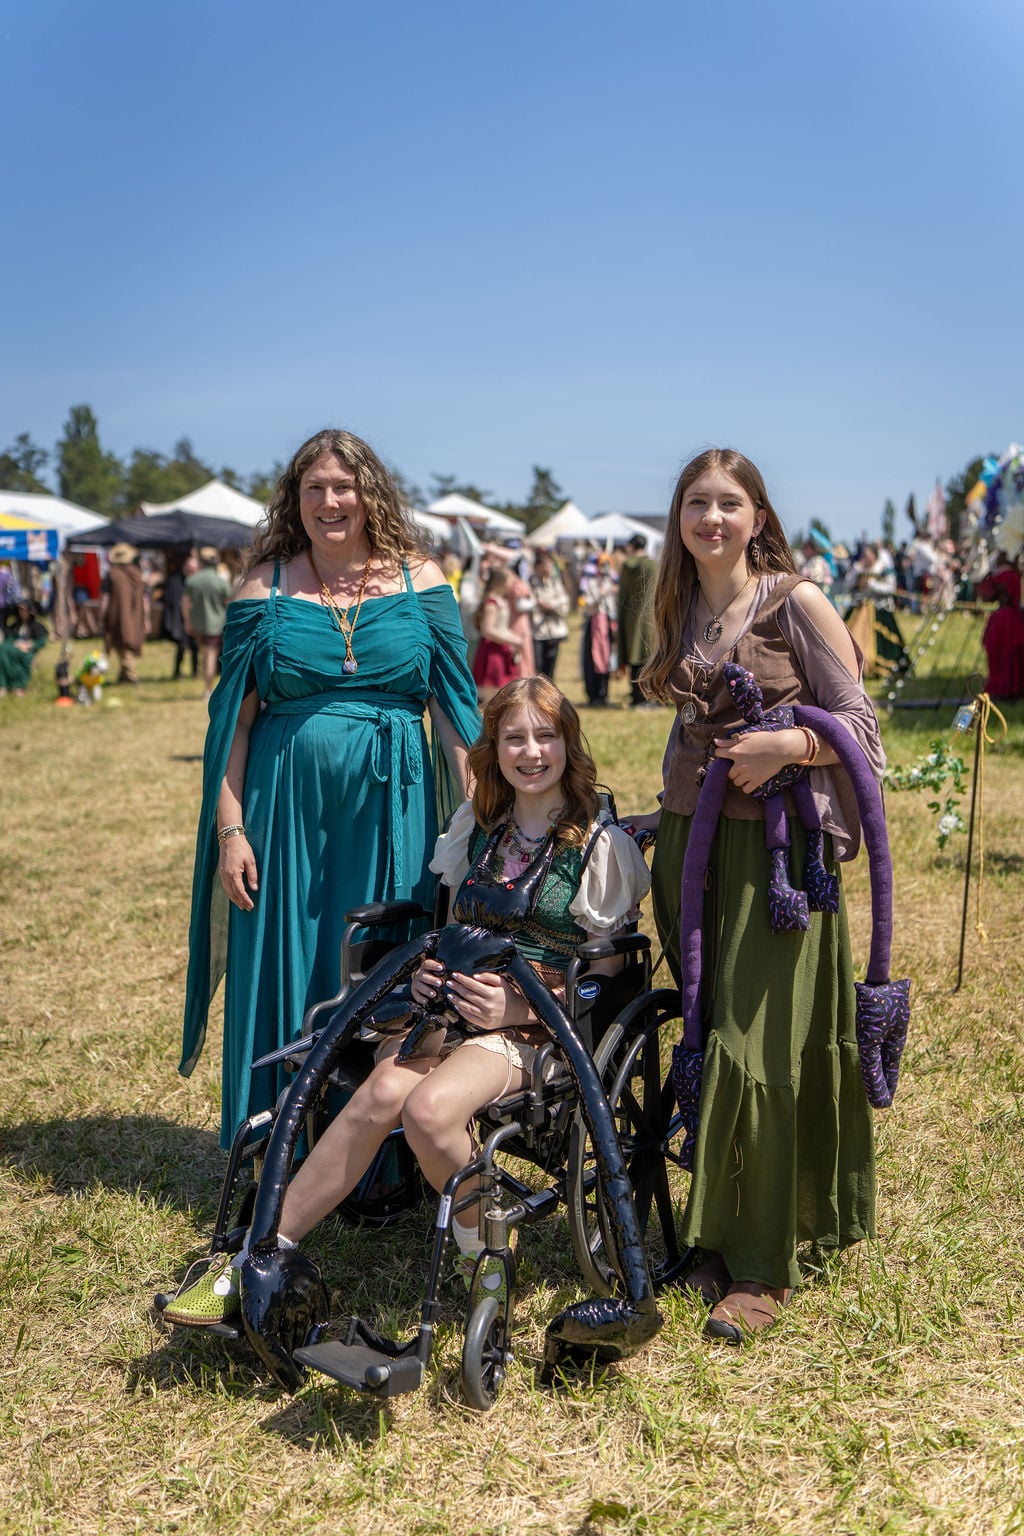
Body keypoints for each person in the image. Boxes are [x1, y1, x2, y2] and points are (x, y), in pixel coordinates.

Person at [163, 675, 651, 1324]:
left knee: (425, 1111)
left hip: (537, 1030)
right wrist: (429, 972)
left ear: (569, 744)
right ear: (493, 749)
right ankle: (257, 1256)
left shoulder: (598, 846)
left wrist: (518, 1007)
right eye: (514, 738)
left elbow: (610, 979)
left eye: (546, 736)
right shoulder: (477, 829)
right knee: (379, 1096)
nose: (531, 752)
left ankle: (487, 1248)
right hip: (452, 1011)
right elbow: (447, 928)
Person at [628, 447, 886, 1342]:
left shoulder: (797, 601)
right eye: (696, 503)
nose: (712, 519)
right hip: (692, 852)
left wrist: (792, 750)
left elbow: (863, 730)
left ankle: (764, 1264)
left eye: (729, 503)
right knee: (707, 1034)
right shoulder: (674, 605)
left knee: (760, 1045)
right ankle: (716, 1232)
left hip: (781, 866)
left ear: (759, 517)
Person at [179, 428, 481, 1151]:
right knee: (287, 959)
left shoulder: (422, 582)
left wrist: (480, 820)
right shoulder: (264, 586)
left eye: (342, 486)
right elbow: (233, 728)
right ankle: (278, 1140)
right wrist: (231, 830)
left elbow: (458, 715)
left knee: (382, 962)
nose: (329, 500)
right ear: (296, 499)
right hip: (283, 814)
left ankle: (375, 1152)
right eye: (313, 488)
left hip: (392, 810)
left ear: (369, 493)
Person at [183, 546, 233, 700]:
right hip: (217, 624)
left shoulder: (192, 581)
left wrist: (187, 622)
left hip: (198, 623)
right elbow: (230, 602)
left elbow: (186, 603)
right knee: (211, 655)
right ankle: (208, 688)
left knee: (205, 653)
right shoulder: (221, 581)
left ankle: (207, 685)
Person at [975, 550, 1024, 700]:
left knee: (1000, 655)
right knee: (1011, 657)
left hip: (999, 618)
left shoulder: (998, 575)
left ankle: (1002, 688)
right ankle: (1012, 688)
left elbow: (987, 595)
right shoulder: (1013, 575)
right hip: (1012, 618)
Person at [471, 566, 523, 703]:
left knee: (505, 693)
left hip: (501, 649)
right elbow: (488, 630)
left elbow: (501, 627)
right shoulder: (491, 602)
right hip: (492, 652)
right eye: (510, 582)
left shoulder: (500, 600)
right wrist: (512, 640)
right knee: (493, 693)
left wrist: (514, 638)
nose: (512, 586)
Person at [617, 534, 657, 707]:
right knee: (647, 657)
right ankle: (647, 696)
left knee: (633, 657)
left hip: (630, 617)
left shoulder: (627, 566)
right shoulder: (653, 566)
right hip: (650, 617)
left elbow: (623, 593)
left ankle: (636, 696)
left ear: (632, 546)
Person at [102, 543, 147, 684]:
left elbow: (105, 598)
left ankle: (131, 675)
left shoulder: (112, 574)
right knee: (126, 642)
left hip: (118, 614)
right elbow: (144, 598)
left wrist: (102, 615)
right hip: (136, 615)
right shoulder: (138, 574)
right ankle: (123, 677)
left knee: (121, 643)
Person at [581, 553, 618, 706]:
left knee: (607, 658)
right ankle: (593, 694)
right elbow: (586, 601)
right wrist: (599, 593)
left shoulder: (611, 583)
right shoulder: (591, 582)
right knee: (593, 659)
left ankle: (604, 694)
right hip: (594, 624)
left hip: (607, 625)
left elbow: (614, 604)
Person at [530, 549, 571, 679]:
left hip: (554, 630)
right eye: (544, 565)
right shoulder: (531, 583)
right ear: (537, 567)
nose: (547, 569)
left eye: (549, 565)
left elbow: (564, 602)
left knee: (550, 667)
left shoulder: (556, 583)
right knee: (537, 666)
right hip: (537, 631)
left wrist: (550, 606)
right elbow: (528, 602)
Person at [160, 553, 199, 680]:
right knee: (181, 648)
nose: (190, 571)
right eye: (188, 568)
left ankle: (195, 672)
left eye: (193, 569)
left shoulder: (198, 583)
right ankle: (177, 672)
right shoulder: (176, 582)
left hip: (196, 620)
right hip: (181, 621)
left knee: (195, 648)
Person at [0, 598, 48, 696]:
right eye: (20, 610)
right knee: (3, 652)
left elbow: (42, 641)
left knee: (6, 651)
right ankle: (4, 685)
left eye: (24, 610)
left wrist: (29, 644)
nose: (22, 613)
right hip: (13, 649)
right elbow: (10, 638)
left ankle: (18, 685)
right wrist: (15, 644)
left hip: (26, 652)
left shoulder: (36, 626)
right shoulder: (16, 625)